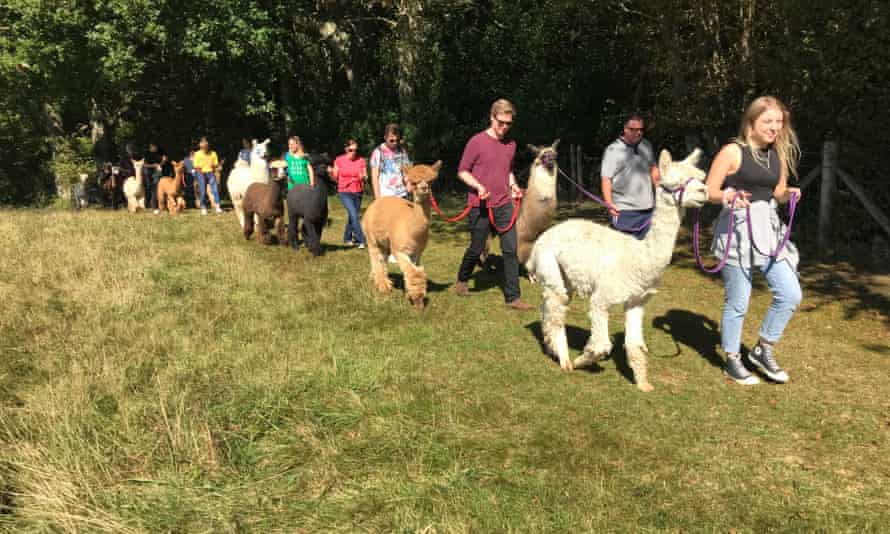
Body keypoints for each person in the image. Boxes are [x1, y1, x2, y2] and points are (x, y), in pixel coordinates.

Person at [706, 95, 803, 385]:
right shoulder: (732, 152)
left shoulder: (778, 154)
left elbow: (777, 192)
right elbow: (709, 189)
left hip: (768, 230)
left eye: (779, 122)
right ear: (752, 121)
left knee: (790, 293)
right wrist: (727, 195)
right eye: (768, 121)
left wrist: (789, 195)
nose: (775, 128)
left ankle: (763, 348)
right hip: (736, 230)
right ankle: (733, 358)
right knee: (738, 301)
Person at [451, 99, 531, 311]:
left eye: (508, 124)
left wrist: (513, 185)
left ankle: (513, 298)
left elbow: (507, 170)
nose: (504, 128)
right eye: (501, 123)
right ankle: (462, 280)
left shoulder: (511, 144)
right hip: (480, 205)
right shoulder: (476, 142)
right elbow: (462, 171)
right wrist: (478, 186)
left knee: (511, 249)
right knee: (477, 248)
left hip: (504, 204)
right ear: (492, 117)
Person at [600, 113, 660, 239]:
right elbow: (606, 179)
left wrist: (660, 193)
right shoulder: (613, 150)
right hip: (623, 211)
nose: (637, 133)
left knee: (645, 253)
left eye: (640, 130)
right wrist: (609, 204)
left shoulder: (646, 146)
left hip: (648, 210)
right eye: (633, 129)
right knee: (623, 255)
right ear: (625, 129)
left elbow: (653, 170)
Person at [331, 138, 367, 249]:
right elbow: (334, 177)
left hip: (358, 191)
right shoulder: (339, 160)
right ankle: (362, 240)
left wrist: (363, 177)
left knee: (352, 217)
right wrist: (332, 174)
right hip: (344, 191)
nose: (353, 152)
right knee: (354, 215)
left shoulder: (361, 160)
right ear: (346, 149)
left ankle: (347, 238)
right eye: (351, 150)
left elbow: (365, 175)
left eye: (355, 150)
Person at [370, 123, 412, 199]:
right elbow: (375, 177)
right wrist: (377, 197)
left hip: (402, 194)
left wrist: (408, 183)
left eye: (397, 140)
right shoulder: (378, 152)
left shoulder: (402, 151)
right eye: (391, 140)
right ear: (385, 137)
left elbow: (406, 171)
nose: (395, 143)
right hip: (385, 196)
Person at [193, 137, 223, 215]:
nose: (204, 149)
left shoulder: (213, 153)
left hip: (210, 173)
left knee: (215, 189)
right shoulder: (197, 154)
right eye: (203, 147)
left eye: (206, 147)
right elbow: (196, 166)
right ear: (201, 147)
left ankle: (217, 206)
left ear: (208, 146)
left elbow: (215, 164)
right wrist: (201, 173)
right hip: (201, 173)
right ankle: (203, 207)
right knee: (202, 191)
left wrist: (215, 168)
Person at [143, 142, 171, 215]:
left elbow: (164, 162)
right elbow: (145, 165)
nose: (154, 148)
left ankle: (165, 206)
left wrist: (163, 162)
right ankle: (154, 207)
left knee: (158, 187)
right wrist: (154, 165)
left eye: (155, 147)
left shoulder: (161, 152)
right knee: (154, 188)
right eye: (152, 147)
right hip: (149, 173)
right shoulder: (147, 154)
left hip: (160, 173)